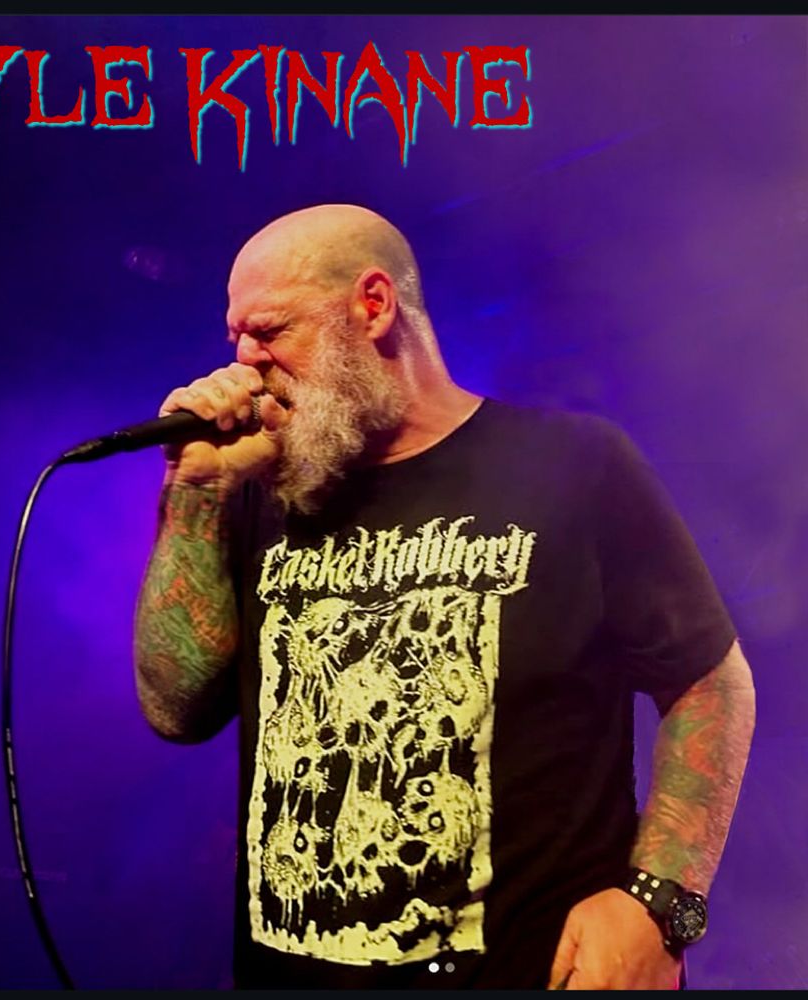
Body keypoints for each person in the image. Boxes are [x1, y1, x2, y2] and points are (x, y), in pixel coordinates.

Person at [132, 204, 755, 989]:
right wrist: (195, 488)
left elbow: (708, 683)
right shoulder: (260, 490)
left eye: (270, 331)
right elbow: (176, 709)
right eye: (236, 339)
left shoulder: (573, 464)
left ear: (373, 305)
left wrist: (658, 904)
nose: (245, 364)